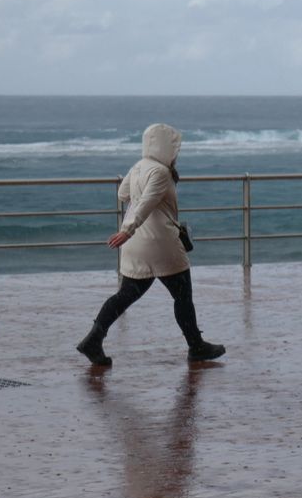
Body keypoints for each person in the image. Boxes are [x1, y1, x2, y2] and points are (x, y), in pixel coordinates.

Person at [77, 123, 225, 366]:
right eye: (175, 148)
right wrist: (127, 230)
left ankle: (94, 340)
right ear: (166, 147)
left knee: (125, 295)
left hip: (136, 245)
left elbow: (122, 195)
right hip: (161, 244)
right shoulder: (161, 172)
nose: (176, 154)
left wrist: (130, 228)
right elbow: (147, 203)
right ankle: (196, 347)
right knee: (183, 297)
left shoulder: (138, 166)